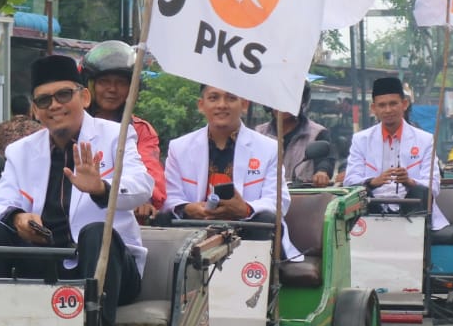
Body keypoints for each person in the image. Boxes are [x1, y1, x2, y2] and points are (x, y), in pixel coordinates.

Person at [0, 54, 153, 326]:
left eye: (64, 95)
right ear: (35, 110)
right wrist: (19, 218)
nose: (55, 106)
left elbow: (142, 188)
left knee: (96, 232)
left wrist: (101, 187)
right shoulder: (21, 150)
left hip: (108, 267)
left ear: (84, 97)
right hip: (45, 262)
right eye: (44, 100)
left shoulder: (115, 136)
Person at [165, 85, 300, 260]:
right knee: (164, 218)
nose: (222, 105)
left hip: (245, 227)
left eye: (230, 98)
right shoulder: (179, 147)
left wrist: (245, 209)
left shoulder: (269, 148)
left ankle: (256, 281)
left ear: (244, 104)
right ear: (201, 105)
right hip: (196, 227)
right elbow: (170, 197)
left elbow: (278, 201)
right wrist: (188, 208)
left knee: (265, 219)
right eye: (213, 98)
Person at [342, 76, 447, 227]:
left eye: (393, 104)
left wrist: (409, 182)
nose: (388, 110)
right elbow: (350, 181)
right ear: (374, 109)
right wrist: (372, 182)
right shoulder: (361, 139)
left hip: (412, 209)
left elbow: (434, 186)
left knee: (421, 193)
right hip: (372, 210)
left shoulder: (425, 140)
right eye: (382, 105)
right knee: (359, 195)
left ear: (404, 104)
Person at [82, 40, 167, 221]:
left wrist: (146, 198)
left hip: (123, 218)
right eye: (104, 82)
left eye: (121, 83)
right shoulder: (76, 125)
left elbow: (150, 173)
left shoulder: (140, 129)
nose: (112, 89)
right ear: (90, 86)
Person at [255, 83, 332, 187]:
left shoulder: (317, 132)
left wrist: (322, 172)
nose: (282, 105)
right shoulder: (259, 133)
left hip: (303, 198)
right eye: (276, 99)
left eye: (288, 99)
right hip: (266, 197)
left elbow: (326, 160)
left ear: (301, 102)